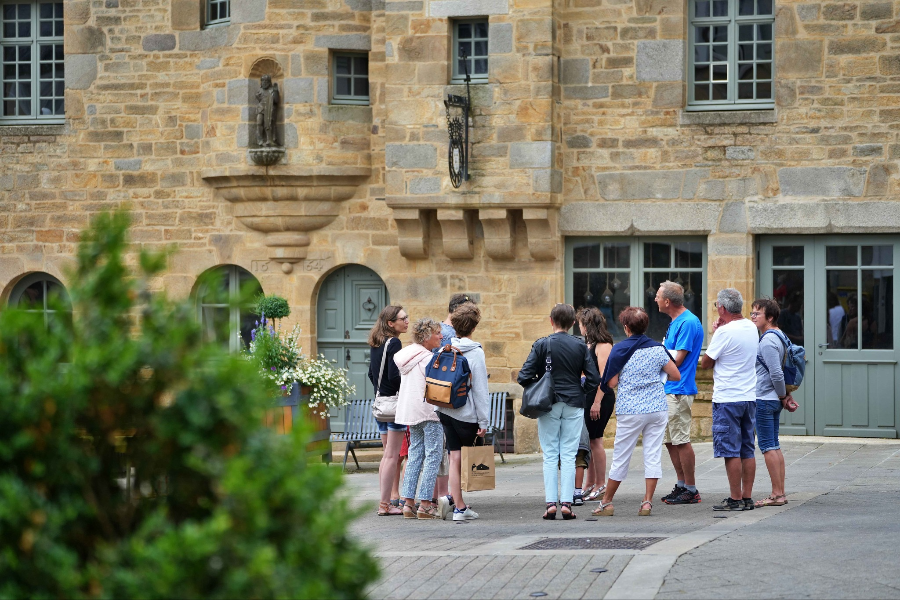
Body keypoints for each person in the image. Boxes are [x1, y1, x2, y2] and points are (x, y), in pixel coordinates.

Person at [592, 307, 680, 517]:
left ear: (626, 327)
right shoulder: (658, 349)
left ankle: (607, 503)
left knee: (621, 456)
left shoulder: (620, 349)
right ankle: (647, 502)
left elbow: (611, 381)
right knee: (652, 455)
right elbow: (675, 375)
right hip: (656, 408)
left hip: (630, 409)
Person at [519, 303, 601, 520]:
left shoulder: (541, 344)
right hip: (574, 402)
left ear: (551, 321)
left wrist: (541, 384)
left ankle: (550, 505)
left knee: (550, 454)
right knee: (569, 453)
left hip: (549, 403)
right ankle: (566, 503)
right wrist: (579, 390)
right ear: (573, 323)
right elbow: (594, 378)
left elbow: (523, 376)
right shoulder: (580, 346)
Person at [700, 288, 759, 511]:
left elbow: (706, 362)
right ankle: (747, 496)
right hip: (748, 396)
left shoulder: (724, 333)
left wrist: (717, 334)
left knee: (730, 450)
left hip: (728, 397)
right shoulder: (751, 328)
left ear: (722, 308)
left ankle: (735, 499)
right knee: (747, 448)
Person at [437, 302, 490, 521]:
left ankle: (456, 502)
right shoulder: (475, 352)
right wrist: (484, 421)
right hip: (466, 414)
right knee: (463, 458)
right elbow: (480, 389)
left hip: (444, 409)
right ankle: (458, 506)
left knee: (454, 456)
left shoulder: (444, 349)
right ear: (474, 328)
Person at [654, 281, 704, 506]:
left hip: (678, 389)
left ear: (667, 301)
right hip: (669, 389)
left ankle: (691, 488)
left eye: (657, 296)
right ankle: (682, 484)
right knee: (670, 440)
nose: (654, 299)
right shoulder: (676, 321)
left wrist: (653, 359)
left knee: (681, 439)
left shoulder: (688, 322)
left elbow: (678, 359)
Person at [395, 318, 450, 520]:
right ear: (427, 336)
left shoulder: (407, 355)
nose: (441, 336)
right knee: (433, 455)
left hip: (411, 411)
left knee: (415, 454)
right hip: (429, 411)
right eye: (437, 333)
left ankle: (408, 503)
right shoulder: (428, 358)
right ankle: (425, 504)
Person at [750, 298, 792, 508]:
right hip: (772, 398)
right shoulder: (780, 336)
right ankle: (780, 492)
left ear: (770, 317)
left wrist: (783, 395)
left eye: (757, 313)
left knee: (768, 447)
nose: (753, 317)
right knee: (774, 445)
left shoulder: (767, 340)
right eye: (752, 313)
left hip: (765, 399)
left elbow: (776, 372)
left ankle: (777, 494)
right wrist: (783, 395)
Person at [368, 305, 409, 516]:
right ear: (391, 323)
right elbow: (394, 376)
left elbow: (371, 374)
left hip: (380, 405)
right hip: (394, 405)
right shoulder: (394, 343)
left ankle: (384, 503)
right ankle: (385, 505)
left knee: (387, 456)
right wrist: (409, 384)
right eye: (403, 318)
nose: (407, 321)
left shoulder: (376, 342)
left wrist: (380, 390)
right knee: (393, 456)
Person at [575, 306, 615, 503]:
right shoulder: (590, 345)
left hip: (600, 397)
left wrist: (597, 402)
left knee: (596, 440)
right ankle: (589, 483)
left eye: (581, 324)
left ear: (588, 325)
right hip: (589, 396)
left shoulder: (603, 345)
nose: (579, 328)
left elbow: (605, 378)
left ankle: (600, 483)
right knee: (589, 441)